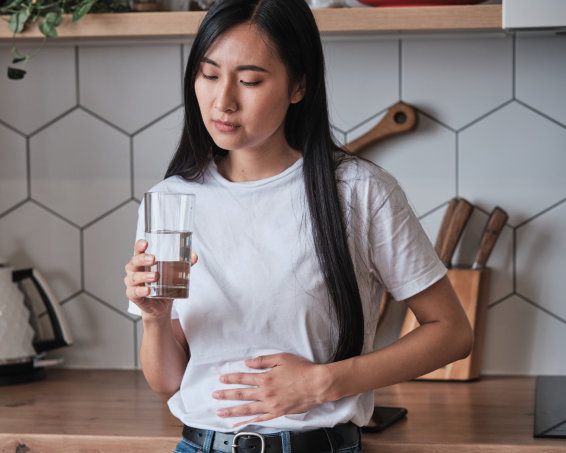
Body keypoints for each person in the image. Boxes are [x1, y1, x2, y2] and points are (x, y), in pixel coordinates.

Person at [125, 1, 473, 452]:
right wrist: (154, 320)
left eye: (250, 80)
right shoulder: (170, 202)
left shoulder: (359, 191)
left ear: (299, 86)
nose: (223, 100)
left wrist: (321, 383)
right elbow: (169, 383)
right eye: (209, 75)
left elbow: (451, 332)